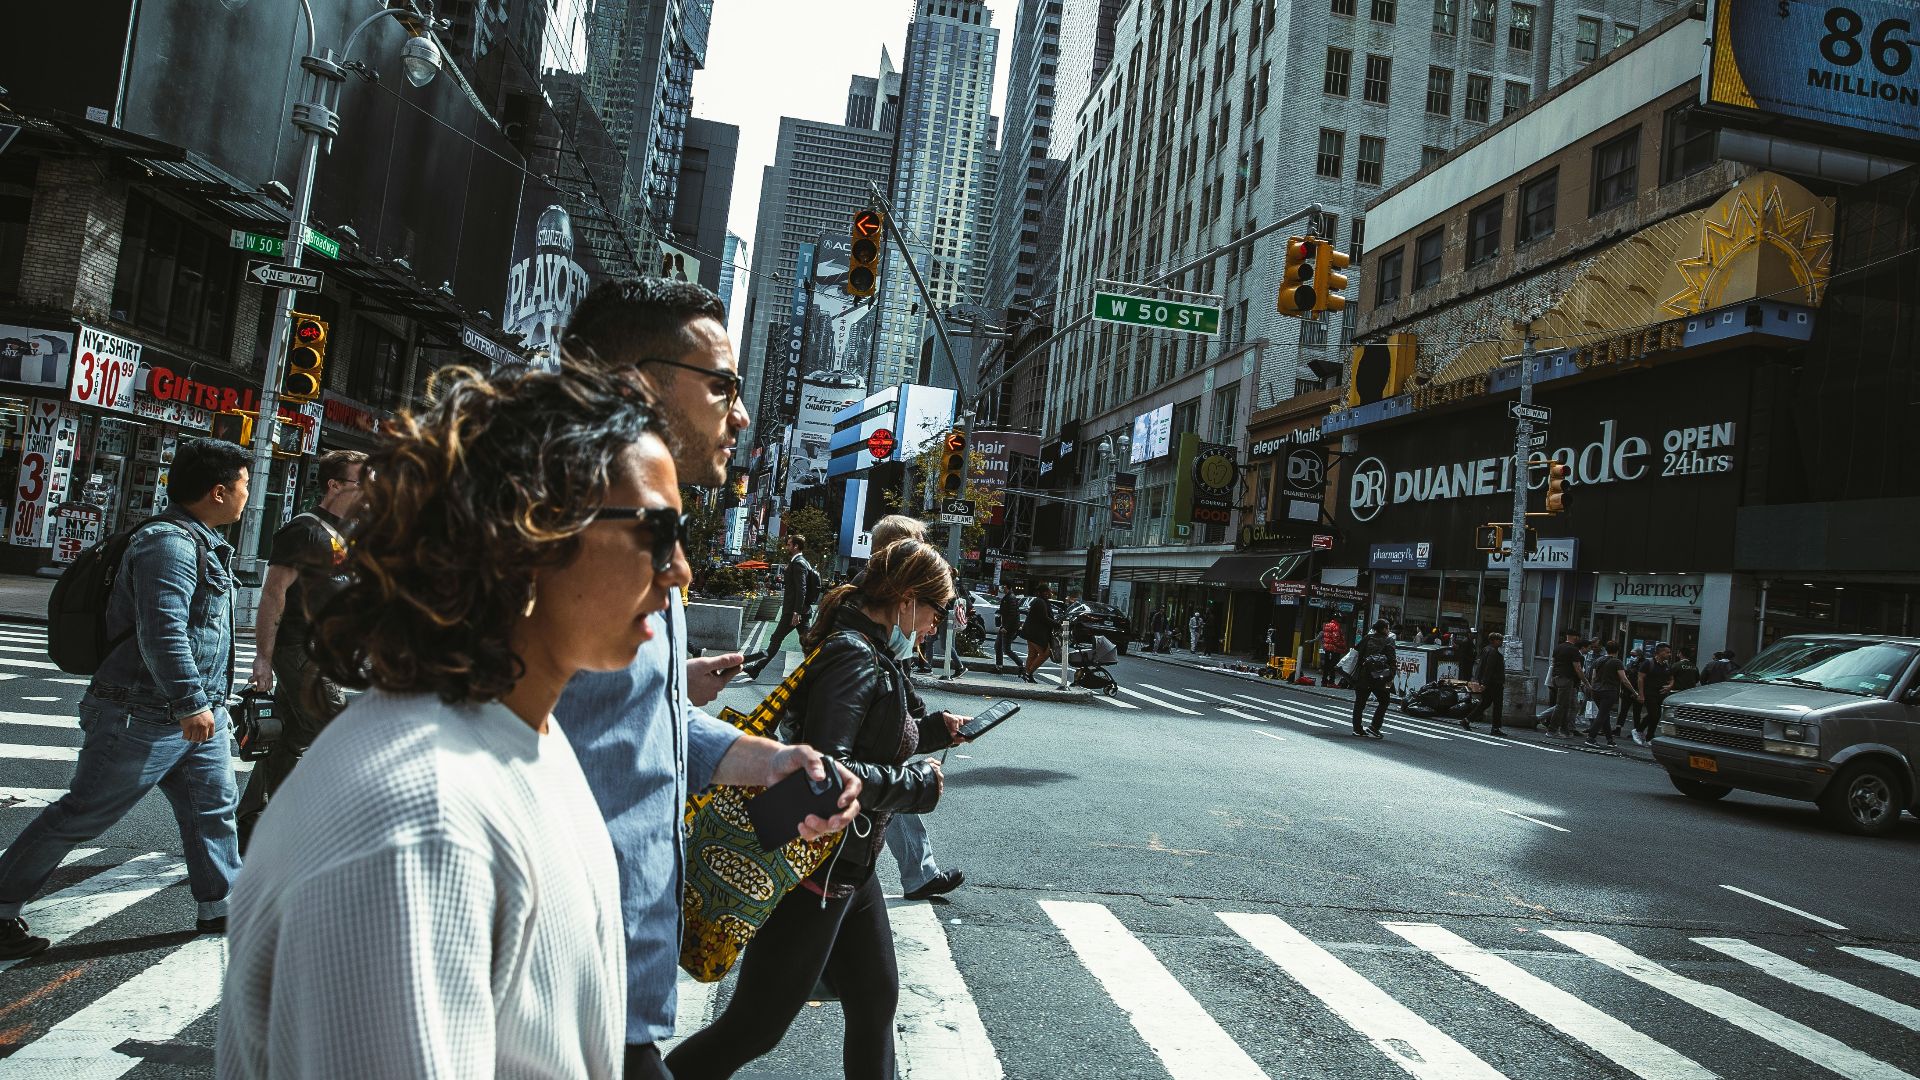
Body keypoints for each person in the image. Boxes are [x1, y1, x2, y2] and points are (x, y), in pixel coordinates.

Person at [220, 368, 682, 1077]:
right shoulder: (419, 825)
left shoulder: (526, 737)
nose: (680, 569)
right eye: (659, 530)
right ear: (529, 532)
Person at [552, 278, 861, 1078]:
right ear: (634, 385)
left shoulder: (641, 534)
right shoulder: (569, 542)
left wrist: (765, 762)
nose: (743, 413)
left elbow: (639, 719)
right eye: (721, 385)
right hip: (553, 981)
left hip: (623, 976)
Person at [667, 540, 965, 1080]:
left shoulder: (875, 653)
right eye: (937, 611)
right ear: (905, 599)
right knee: (755, 1028)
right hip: (814, 863)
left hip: (850, 864)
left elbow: (869, 738)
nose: (934, 627)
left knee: (875, 1003)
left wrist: (926, 732)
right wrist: (915, 785)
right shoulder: (855, 653)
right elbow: (825, 772)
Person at [0, 438, 250, 958]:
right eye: (246, 484)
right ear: (219, 491)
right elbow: (163, 632)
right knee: (83, 814)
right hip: (144, 714)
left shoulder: (199, 541)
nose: (249, 494)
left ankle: (219, 907)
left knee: (213, 810)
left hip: (195, 715)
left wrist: (204, 707)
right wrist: (190, 703)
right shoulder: (169, 545)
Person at [235, 449, 367, 852]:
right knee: (333, 731)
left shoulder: (349, 532)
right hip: (299, 648)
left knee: (292, 735)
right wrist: (262, 657)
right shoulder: (304, 530)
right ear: (335, 485)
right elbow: (274, 594)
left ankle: (253, 825)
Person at [857, 514, 962, 901]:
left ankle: (919, 873)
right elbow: (832, 763)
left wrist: (935, 727)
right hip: (832, 850)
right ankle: (919, 873)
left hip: (846, 852)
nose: (933, 625)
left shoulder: (883, 621)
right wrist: (913, 781)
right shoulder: (861, 636)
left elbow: (901, 695)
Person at [746, 533, 819, 680]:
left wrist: (796, 612)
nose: (787, 547)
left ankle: (757, 669)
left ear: (796, 546)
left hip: (794, 611)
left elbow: (801, 588)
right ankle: (819, 672)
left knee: (776, 639)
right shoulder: (801, 562)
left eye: (789, 544)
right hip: (801, 611)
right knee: (808, 643)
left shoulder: (799, 563)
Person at [1350, 619, 1397, 739]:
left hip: (1363, 676)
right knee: (1384, 701)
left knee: (1359, 703)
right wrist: (1391, 676)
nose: (1389, 630)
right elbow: (1392, 661)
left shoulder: (1367, 638)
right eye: (1388, 627)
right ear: (1384, 629)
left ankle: (1357, 729)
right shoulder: (1388, 641)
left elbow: (1356, 654)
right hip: (1379, 677)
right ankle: (1374, 727)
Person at [1584, 641, 1631, 748]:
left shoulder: (1598, 660)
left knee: (1605, 715)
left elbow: (1593, 677)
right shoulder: (1617, 662)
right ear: (1618, 650)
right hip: (1609, 691)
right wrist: (1634, 692)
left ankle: (1610, 740)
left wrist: (1592, 689)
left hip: (1596, 690)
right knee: (1602, 715)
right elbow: (1624, 679)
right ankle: (1591, 738)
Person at [1461, 631, 1507, 736]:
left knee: (1485, 703)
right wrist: (1484, 683)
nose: (1501, 642)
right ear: (1493, 640)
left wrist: (1479, 680)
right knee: (1497, 705)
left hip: (1489, 682)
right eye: (1499, 640)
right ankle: (1495, 728)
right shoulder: (1493, 653)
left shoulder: (1486, 649)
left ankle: (1467, 720)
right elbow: (1488, 669)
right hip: (1494, 683)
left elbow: (1481, 666)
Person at [1634, 643, 1674, 745]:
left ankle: (1649, 737)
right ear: (1660, 652)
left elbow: (1671, 679)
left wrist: (1669, 686)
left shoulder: (1666, 665)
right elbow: (1640, 678)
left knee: (1656, 715)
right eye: (1667, 652)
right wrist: (1641, 694)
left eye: (1670, 652)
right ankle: (1638, 730)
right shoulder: (1648, 663)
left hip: (1660, 694)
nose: (1669, 654)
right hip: (1649, 693)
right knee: (1654, 714)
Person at [1547, 629, 1585, 738]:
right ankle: (1552, 730)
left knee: (1565, 705)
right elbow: (1578, 669)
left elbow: (1553, 662)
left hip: (1556, 678)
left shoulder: (1558, 647)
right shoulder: (1573, 650)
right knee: (1561, 705)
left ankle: (1565, 730)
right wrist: (1585, 682)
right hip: (1566, 679)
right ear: (1576, 637)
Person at [1022, 583, 1058, 683]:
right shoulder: (1040, 602)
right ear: (1044, 592)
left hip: (1031, 632)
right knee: (1045, 653)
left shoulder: (1040, 601)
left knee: (1032, 654)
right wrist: (1057, 624)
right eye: (1048, 591)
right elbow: (1044, 618)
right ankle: (1028, 673)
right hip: (1036, 634)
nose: (1050, 593)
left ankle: (1027, 675)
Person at [1617, 647, 1647, 736]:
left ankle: (1636, 730)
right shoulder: (1631, 664)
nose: (1632, 656)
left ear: (1639, 655)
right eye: (1631, 655)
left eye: (1634, 655)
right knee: (1623, 710)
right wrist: (1622, 689)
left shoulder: (1644, 664)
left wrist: (1639, 692)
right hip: (1628, 690)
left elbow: (1643, 679)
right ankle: (1618, 728)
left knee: (1636, 712)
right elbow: (1625, 677)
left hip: (1637, 691)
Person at [995, 582, 1024, 673]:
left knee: (1006, 649)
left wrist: (1006, 627)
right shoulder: (1007, 597)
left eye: (1002, 586)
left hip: (1008, 628)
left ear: (1006, 587)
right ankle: (999, 667)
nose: (1001, 588)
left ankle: (1021, 665)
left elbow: (1012, 615)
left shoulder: (1011, 598)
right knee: (997, 646)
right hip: (1005, 626)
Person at [1319, 617, 1348, 687]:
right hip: (1334, 649)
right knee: (1333, 666)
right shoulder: (1336, 627)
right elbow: (1336, 639)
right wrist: (1343, 646)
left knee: (1326, 665)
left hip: (1327, 648)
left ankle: (1324, 681)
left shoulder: (1327, 625)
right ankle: (1331, 682)